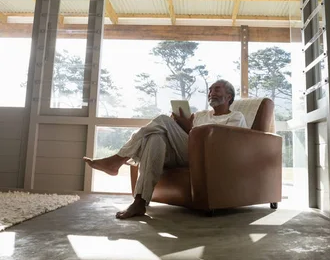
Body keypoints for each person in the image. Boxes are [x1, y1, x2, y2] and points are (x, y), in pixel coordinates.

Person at [84, 79, 246, 219]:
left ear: (229, 96)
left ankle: (118, 160)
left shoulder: (236, 117)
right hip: (186, 152)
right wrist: (176, 123)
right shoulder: (201, 115)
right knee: (155, 139)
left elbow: (224, 144)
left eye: (216, 89)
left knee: (161, 121)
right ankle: (139, 202)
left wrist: (189, 128)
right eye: (210, 90)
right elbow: (183, 136)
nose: (211, 92)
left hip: (209, 157)